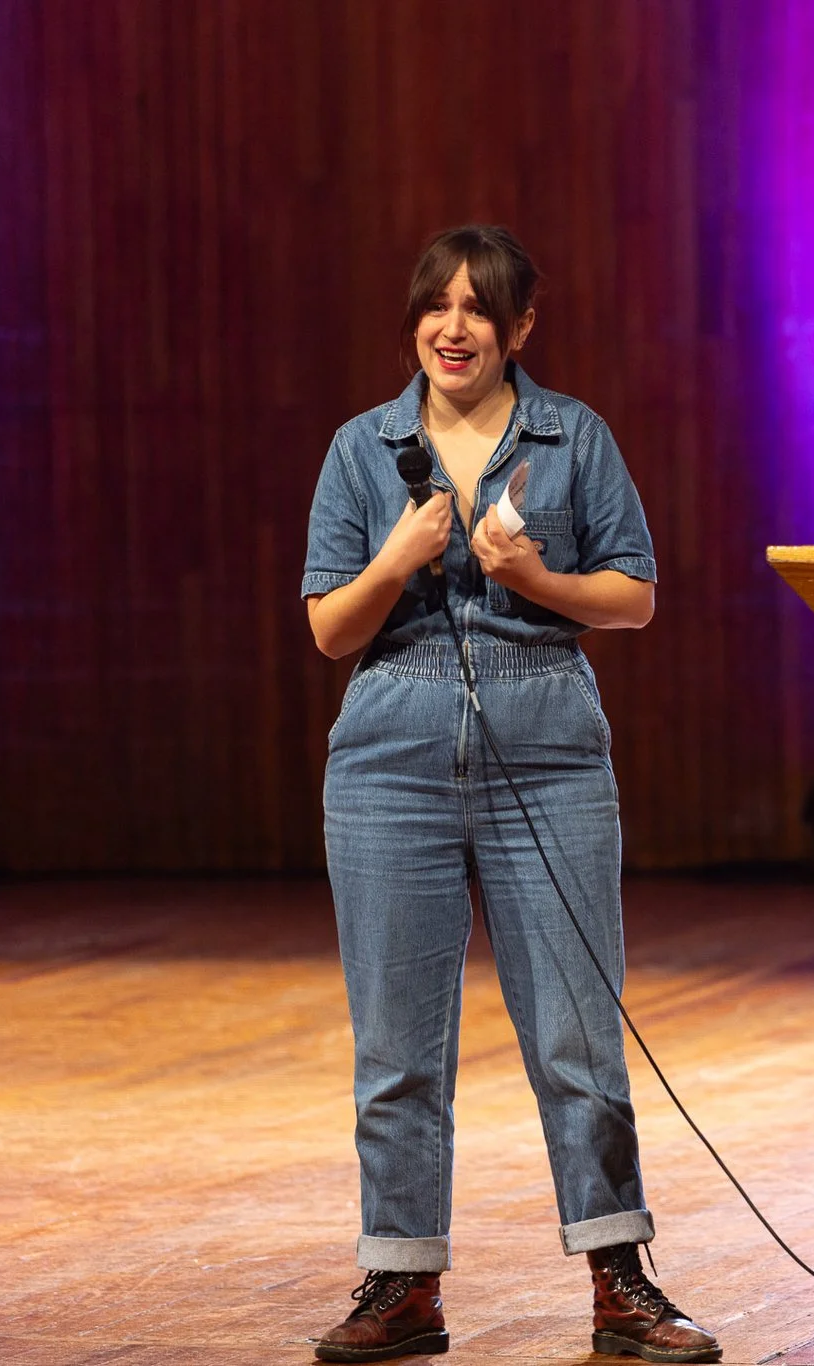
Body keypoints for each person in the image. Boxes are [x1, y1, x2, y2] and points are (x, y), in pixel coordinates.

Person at [301, 225, 720, 1364]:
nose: (454, 327)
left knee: (577, 1035)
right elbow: (330, 628)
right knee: (396, 1049)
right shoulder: (361, 449)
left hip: (548, 751)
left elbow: (633, 597)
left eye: (479, 308)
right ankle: (402, 1283)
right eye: (435, 306)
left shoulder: (574, 437)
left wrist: (534, 577)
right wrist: (397, 558)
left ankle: (620, 1279)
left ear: (519, 327)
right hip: (389, 759)